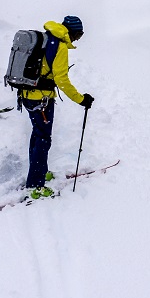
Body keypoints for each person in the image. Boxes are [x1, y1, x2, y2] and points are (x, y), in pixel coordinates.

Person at [21, 15, 94, 198]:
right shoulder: (59, 46)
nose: (78, 39)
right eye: (79, 34)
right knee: (43, 139)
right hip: (42, 100)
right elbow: (62, 80)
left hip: (28, 94)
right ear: (73, 31)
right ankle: (35, 186)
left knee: (37, 135)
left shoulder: (47, 39)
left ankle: (40, 172)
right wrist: (81, 99)